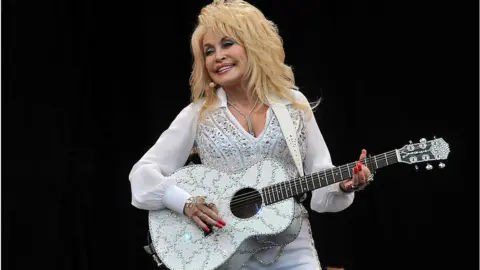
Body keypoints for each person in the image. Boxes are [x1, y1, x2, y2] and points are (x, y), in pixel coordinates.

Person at [128, 0, 373, 269]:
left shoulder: (292, 104)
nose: (217, 56)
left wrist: (343, 185)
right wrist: (185, 203)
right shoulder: (199, 114)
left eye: (227, 44)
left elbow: (321, 177)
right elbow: (142, 174)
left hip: (291, 248)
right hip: (226, 250)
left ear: (253, 45)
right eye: (209, 51)